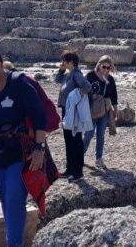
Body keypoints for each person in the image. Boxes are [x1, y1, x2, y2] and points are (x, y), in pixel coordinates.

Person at [0, 45, 48, 247]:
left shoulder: (19, 85)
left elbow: (40, 117)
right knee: (5, 199)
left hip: (19, 154)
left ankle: (14, 244)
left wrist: (40, 149)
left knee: (14, 200)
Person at [55, 50, 91, 181]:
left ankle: (78, 172)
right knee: (68, 140)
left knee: (76, 141)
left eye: (64, 60)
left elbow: (87, 87)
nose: (62, 63)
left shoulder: (76, 74)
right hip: (66, 111)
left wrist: (76, 97)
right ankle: (69, 169)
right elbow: (57, 79)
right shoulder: (68, 74)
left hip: (73, 112)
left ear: (70, 62)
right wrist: (60, 70)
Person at [83, 56, 119, 170]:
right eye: (104, 66)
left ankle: (99, 159)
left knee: (101, 135)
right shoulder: (90, 76)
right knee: (89, 134)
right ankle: (79, 155)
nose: (106, 69)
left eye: (108, 67)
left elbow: (113, 95)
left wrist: (115, 109)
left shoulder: (110, 79)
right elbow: (82, 90)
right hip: (91, 109)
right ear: (99, 65)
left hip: (104, 110)